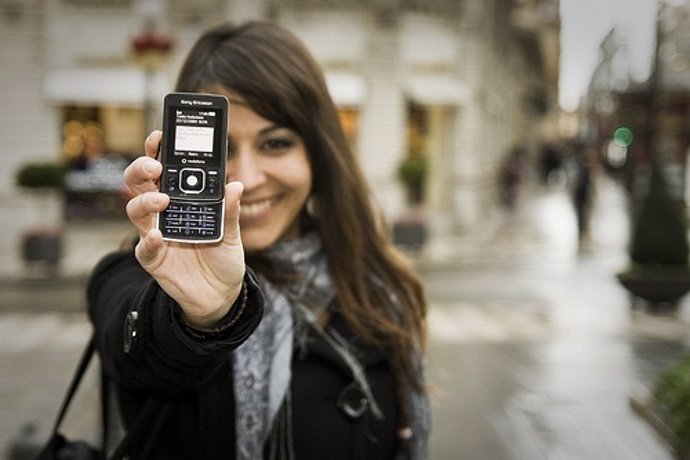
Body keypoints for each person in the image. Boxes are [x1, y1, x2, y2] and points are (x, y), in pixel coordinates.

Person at [87, 20, 429, 459]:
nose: (246, 180)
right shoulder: (140, 279)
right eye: (223, 149)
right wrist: (203, 317)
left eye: (275, 143)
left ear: (318, 153)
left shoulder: (381, 292)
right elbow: (133, 345)